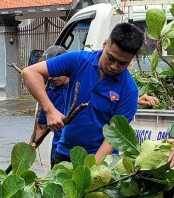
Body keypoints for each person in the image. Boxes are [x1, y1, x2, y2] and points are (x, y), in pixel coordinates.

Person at [21, 23, 143, 163]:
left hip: (101, 162)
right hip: (65, 154)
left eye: (122, 64)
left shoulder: (129, 91)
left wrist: (92, 168)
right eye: (111, 58)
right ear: (105, 45)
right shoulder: (79, 61)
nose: (114, 66)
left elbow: (113, 137)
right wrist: (50, 110)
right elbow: (29, 72)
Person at [29, 45, 72, 159]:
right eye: (50, 72)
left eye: (57, 71)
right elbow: (41, 127)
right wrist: (26, 154)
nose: (52, 77)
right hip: (59, 152)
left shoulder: (80, 86)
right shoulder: (48, 92)